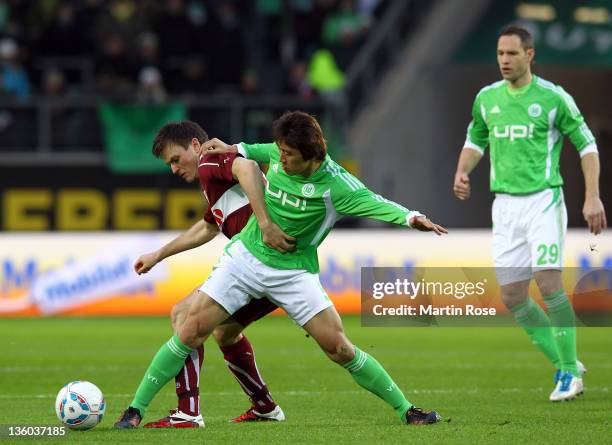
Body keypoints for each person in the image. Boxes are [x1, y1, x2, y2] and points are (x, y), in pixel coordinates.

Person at [116, 111, 447, 428]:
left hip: (293, 272)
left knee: (339, 348)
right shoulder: (276, 152)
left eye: (288, 154)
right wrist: (230, 148)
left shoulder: (338, 188)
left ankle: (407, 410)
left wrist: (411, 217)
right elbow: (247, 151)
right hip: (245, 257)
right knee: (189, 327)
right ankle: (135, 411)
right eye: (281, 150)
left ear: (311, 154)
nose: (280, 158)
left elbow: (376, 202)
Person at [453, 24, 606, 402]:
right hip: (504, 206)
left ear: (530, 55)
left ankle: (569, 373)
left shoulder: (553, 98)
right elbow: (476, 138)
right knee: (512, 296)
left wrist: (592, 197)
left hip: (543, 201)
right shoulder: (487, 98)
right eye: (500, 54)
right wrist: (462, 171)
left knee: (549, 282)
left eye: (512, 54)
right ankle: (565, 359)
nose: (504, 60)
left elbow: (587, 146)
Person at [118, 121, 295, 428]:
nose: (174, 169)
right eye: (169, 164)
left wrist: (264, 223)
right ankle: (264, 407)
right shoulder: (213, 181)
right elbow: (208, 227)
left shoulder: (210, 160)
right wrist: (158, 255)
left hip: (260, 263)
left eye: (176, 159)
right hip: (273, 266)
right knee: (224, 332)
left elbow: (248, 166)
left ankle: (185, 412)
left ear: (196, 146)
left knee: (184, 315)